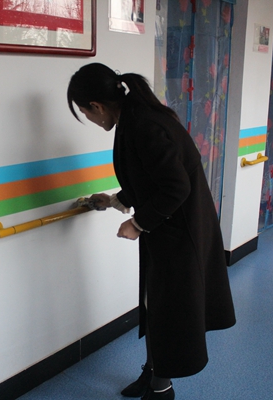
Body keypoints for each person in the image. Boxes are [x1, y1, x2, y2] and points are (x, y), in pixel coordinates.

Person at [67, 63, 236, 400]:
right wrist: (115, 200)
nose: (89, 119)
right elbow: (147, 177)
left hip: (180, 232)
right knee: (156, 306)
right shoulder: (134, 118)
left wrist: (137, 223)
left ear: (96, 106)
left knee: (168, 311)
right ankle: (154, 372)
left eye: (85, 113)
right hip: (168, 228)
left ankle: (162, 389)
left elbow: (175, 187)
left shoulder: (144, 124)